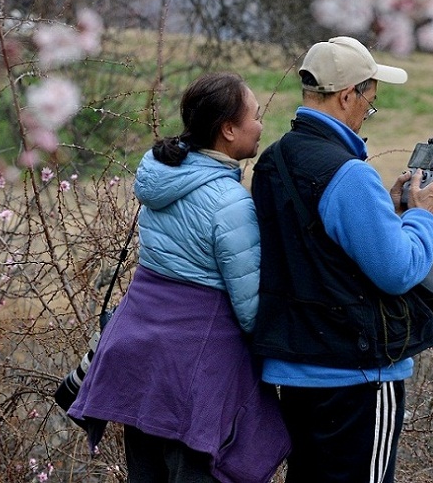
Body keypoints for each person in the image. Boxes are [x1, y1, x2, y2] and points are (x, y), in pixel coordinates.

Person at [68, 72, 291, 483]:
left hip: (140, 363)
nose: (261, 125)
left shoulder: (165, 177)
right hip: (194, 378)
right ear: (228, 130)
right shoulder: (231, 205)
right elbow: (250, 312)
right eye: (256, 116)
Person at [250, 36, 433, 483]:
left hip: (297, 369)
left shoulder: (273, 161)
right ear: (347, 95)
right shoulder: (349, 174)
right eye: (370, 102)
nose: (367, 113)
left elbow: (316, 253)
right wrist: (423, 217)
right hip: (357, 375)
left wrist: (391, 213)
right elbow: (399, 271)